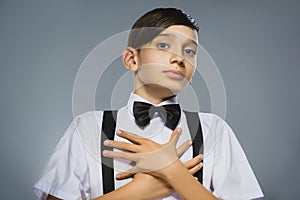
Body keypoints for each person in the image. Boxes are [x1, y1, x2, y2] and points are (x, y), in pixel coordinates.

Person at [34, 8, 264, 200]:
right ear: (131, 59)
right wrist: (139, 191)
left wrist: (172, 171)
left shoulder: (214, 130)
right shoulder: (88, 127)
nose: (179, 58)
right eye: (164, 45)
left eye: (189, 51)